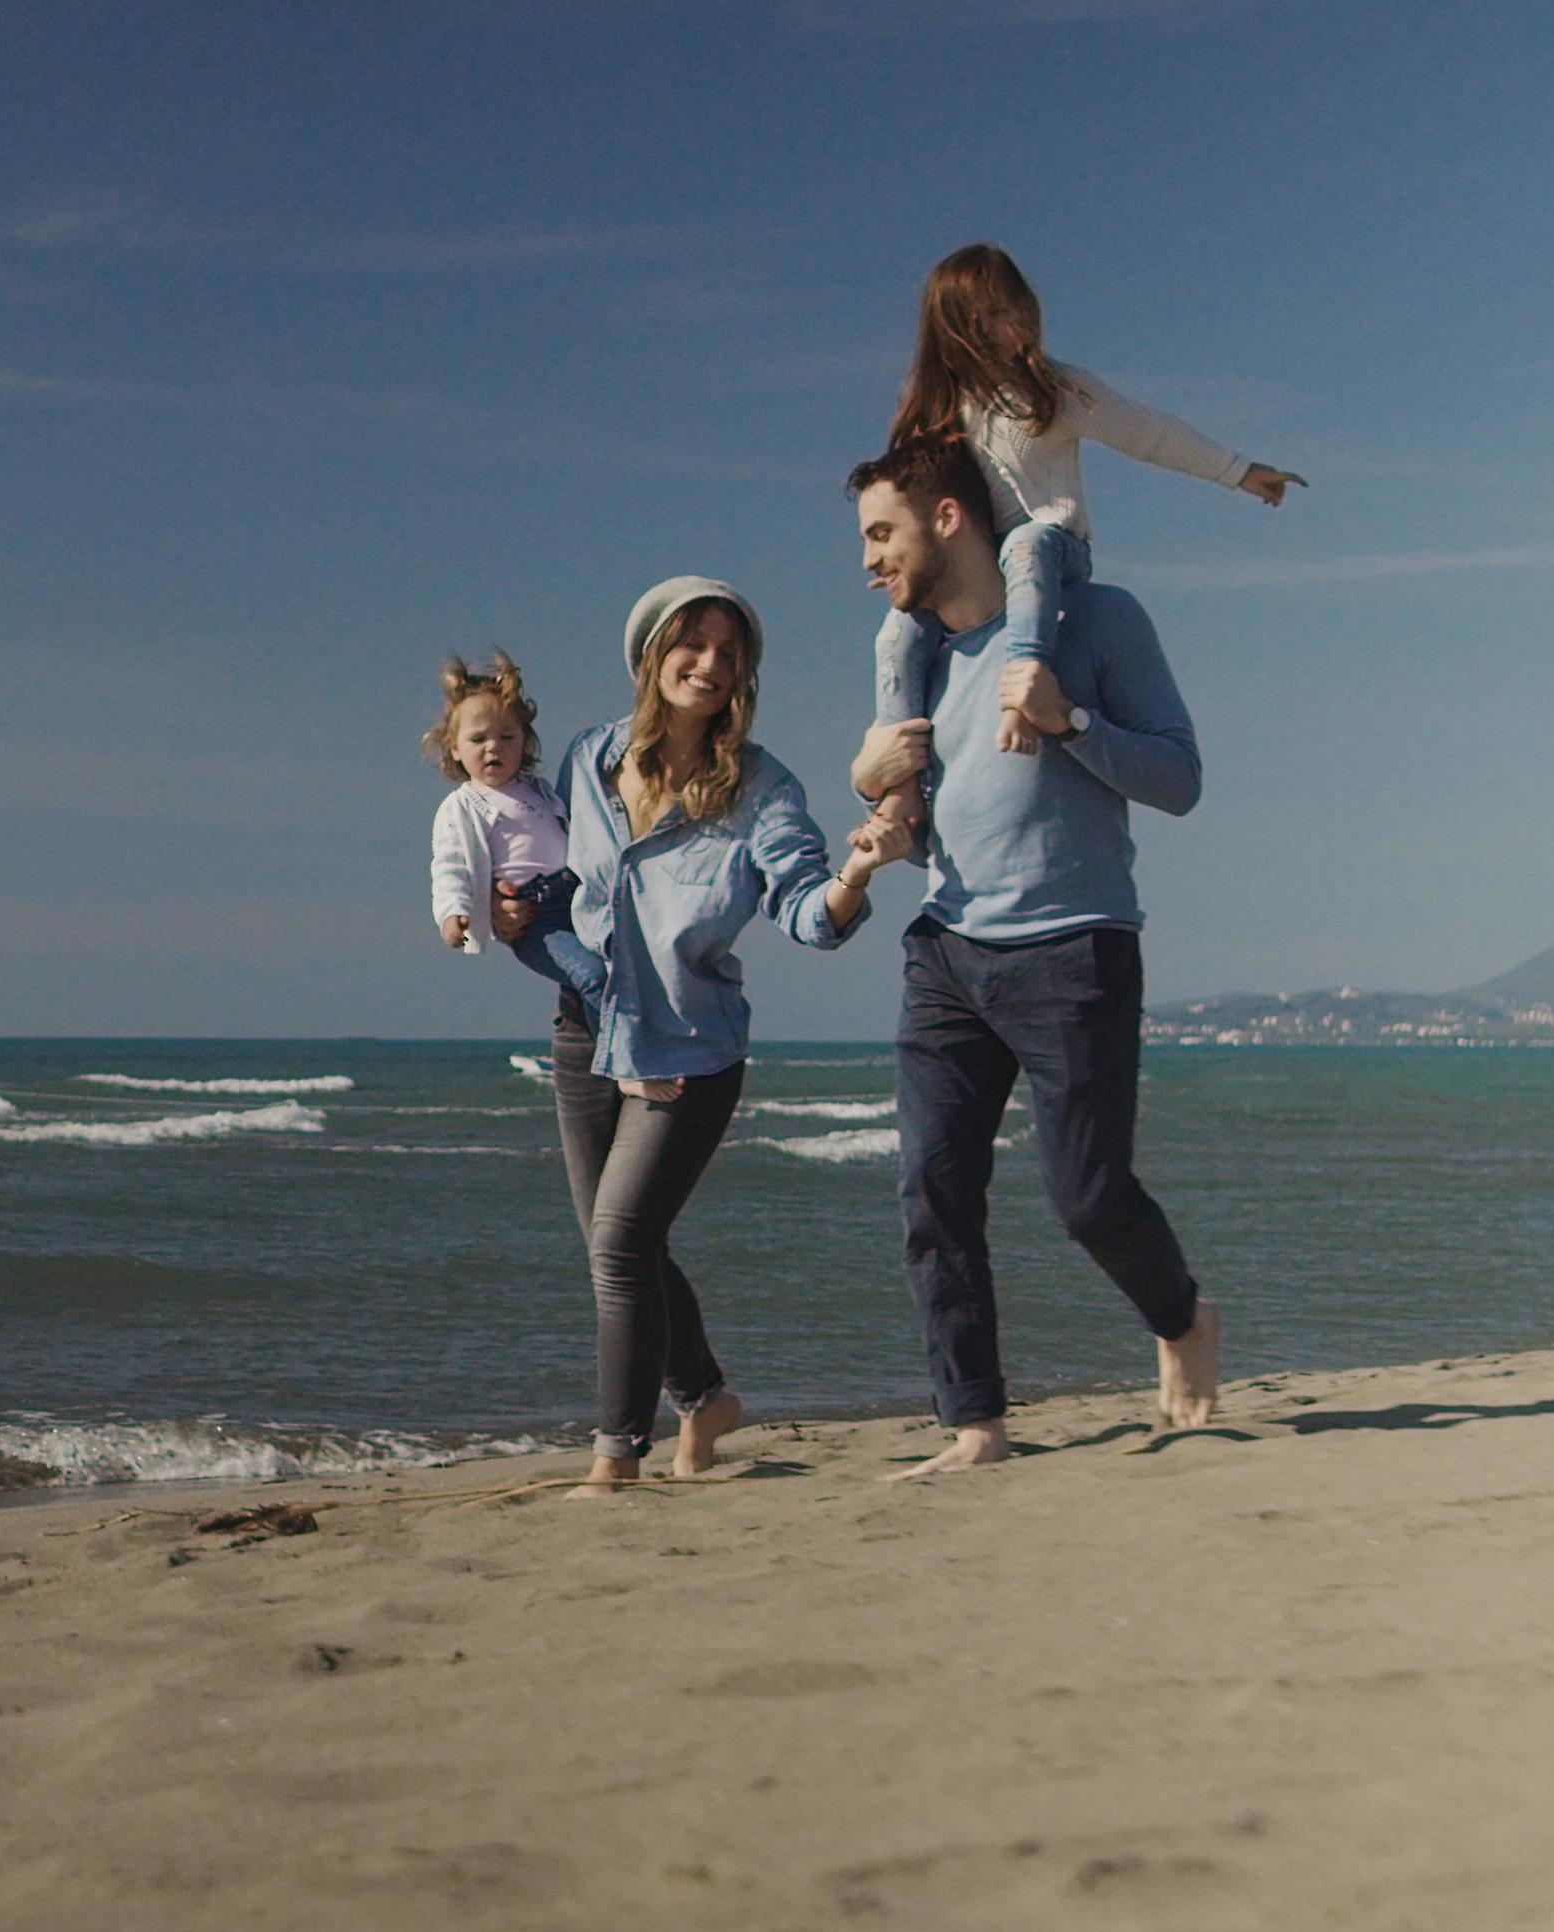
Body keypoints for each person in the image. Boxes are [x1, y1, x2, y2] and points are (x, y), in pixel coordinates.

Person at [843, 434, 1220, 1478]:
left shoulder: (1096, 622)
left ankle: (1180, 1315)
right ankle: (974, 1424)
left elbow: (1178, 777)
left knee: (1086, 1197)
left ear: (949, 517)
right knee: (931, 1193)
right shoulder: (915, 656)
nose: (868, 559)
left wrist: (1068, 719)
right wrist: (875, 810)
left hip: (1071, 949)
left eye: (881, 533)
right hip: (945, 951)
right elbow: (925, 812)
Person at [495, 578, 905, 1494]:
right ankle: (705, 1397)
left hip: (687, 1051)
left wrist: (859, 870)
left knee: (619, 1244)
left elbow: (809, 911)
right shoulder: (588, 760)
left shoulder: (761, 788)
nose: (712, 665)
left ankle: (614, 1459)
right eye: (695, 644)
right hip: (586, 1038)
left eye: (731, 652)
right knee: (620, 1243)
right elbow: (555, 880)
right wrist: (509, 898)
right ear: (652, 653)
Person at [865, 244, 1301, 847]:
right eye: (982, 318)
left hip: (1057, 553)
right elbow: (899, 501)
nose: (1001, 330)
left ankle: (1025, 680)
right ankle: (900, 790)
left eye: (1009, 312)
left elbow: (1147, 433)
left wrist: (1239, 470)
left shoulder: (1054, 391)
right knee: (898, 633)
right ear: (950, 329)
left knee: (1028, 544)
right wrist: (894, 564)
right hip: (982, 581)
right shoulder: (932, 408)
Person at [424, 654, 567, 958]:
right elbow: (450, 865)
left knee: (613, 967)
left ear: (524, 741)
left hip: (574, 898)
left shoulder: (540, 792)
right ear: (454, 747)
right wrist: (452, 913)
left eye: (507, 737)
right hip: (530, 913)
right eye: (478, 739)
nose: (494, 746)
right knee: (591, 976)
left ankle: (574, 1004)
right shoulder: (462, 807)